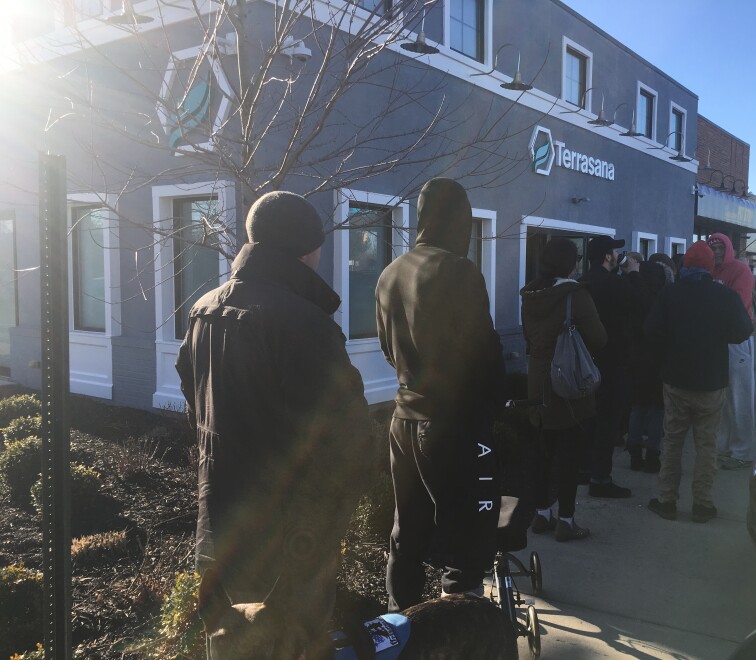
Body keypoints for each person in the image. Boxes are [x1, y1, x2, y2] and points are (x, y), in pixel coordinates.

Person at [175, 191, 375, 659]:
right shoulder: (305, 324)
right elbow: (347, 440)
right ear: (308, 250)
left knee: (226, 644)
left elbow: (195, 408)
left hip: (219, 521)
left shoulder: (203, 310)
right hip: (289, 546)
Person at [375, 178, 506, 612]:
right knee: (464, 529)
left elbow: (384, 346)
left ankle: (401, 623)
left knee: (407, 528)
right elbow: (484, 353)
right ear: (459, 220)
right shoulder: (459, 271)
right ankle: (458, 623)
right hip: (452, 422)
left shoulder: (390, 273)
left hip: (402, 418)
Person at [643, 241, 753, 522]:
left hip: (676, 381)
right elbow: (743, 330)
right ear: (709, 268)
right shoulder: (725, 296)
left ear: (684, 267)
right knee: (707, 446)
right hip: (711, 383)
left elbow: (652, 333)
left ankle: (667, 500)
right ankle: (702, 505)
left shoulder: (669, 294)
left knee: (673, 442)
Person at [521, 238, 607, 541]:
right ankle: (567, 521)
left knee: (542, 452)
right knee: (569, 456)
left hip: (537, 384)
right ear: (570, 263)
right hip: (568, 385)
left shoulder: (530, 296)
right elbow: (599, 339)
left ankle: (542, 514)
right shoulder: (576, 296)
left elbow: (529, 338)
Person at [579, 235, 634, 498]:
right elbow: (640, 306)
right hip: (612, 363)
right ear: (607, 256)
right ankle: (600, 479)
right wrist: (633, 275)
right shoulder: (615, 284)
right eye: (614, 251)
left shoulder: (580, 283)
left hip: (583, 362)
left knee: (586, 420)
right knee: (608, 423)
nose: (617, 255)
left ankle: (583, 470)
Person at [707, 232, 756, 470]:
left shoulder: (740, 271)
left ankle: (743, 452)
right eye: (712, 248)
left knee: (740, 396)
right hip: (716, 340)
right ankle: (723, 447)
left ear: (728, 248)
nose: (716, 252)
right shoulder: (710, 272)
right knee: (721, 399)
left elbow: (739, 305)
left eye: (719, 248)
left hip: (737, 341)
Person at [626, 260, 667, 473]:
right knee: (657, 410)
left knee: (637, 407)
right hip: (657, 360)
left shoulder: (634, 295)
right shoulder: (661, 299)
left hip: (635, 359)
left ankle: (634, 453)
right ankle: (652, 454)